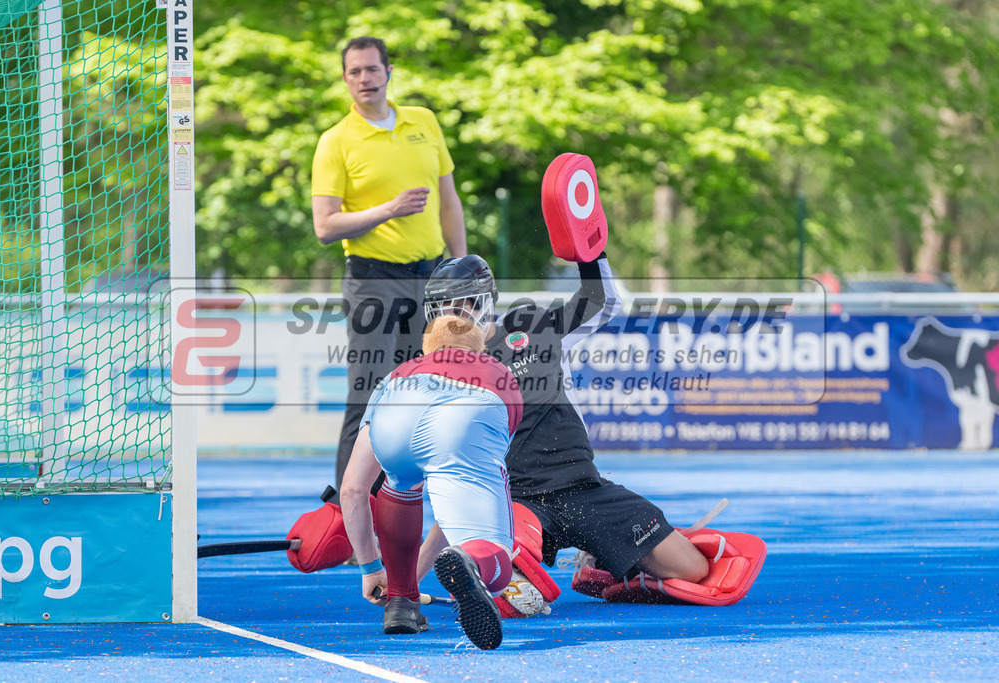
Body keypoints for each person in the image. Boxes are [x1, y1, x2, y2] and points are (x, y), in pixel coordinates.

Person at [413, 253, 765, 615]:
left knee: (694, 571)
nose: (450, 317)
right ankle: (495, 571)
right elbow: (456, 480)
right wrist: (404, 587)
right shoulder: (443, 377)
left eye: (458, 305)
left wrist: (588, 249)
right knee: (514, 591)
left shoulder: (531, 324)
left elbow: (603, 301)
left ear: (483, 301)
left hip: (585, 489)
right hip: (515, 500)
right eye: (441, 309)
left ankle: (602, 562)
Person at [311, 35, 467, 497]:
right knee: (369, 398)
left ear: (388, 71)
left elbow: (450, 202)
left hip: (433, 279)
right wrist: (387, 210)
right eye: (354, 71)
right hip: (372, 282)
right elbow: (325, 225)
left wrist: (460, 270)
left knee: (426, 396)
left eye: (372, 69)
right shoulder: (336, 141)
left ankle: (407, 499)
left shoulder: (424, 122)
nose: (364, 78)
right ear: (345, 79)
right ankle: (345, 511)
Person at [339, 315, 523, 650]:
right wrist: (464, 545)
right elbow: (453, 502)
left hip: (398, 416)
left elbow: (352, 489)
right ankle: (476, 564)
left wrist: (369, 568)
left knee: (399, 482)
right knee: (497, 561)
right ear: (480, 349)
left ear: (427, 348)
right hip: (470, 410)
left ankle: (401, 601)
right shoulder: (498, 371)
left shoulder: (397, 374)